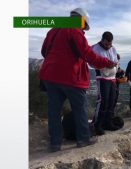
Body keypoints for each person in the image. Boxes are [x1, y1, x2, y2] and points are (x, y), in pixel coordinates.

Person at [39, 8, 117, 152]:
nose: (83, 29)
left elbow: (44, 51)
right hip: (71, 77)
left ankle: (55, 143)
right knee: (80, 107)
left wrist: (55, 61)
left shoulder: (54, 29)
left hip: (50, 76)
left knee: (54, 111)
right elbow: (88, 54)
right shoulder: (74, 31)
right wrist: (107, 62)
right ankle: (83, 139)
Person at [91, 31, 119, 135]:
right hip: (102, 77)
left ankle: (108, 123)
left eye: (110, 44)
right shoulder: (95, 48)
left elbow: (116, 60)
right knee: (103, 101)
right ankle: (97, 125)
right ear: (102, 40)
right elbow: (92, 63)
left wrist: (115, 65)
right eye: (107, 44)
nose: (109, 46)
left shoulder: (113, 48)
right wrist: (105, 65)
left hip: (112, 77)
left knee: (111, 101)